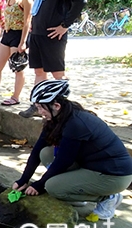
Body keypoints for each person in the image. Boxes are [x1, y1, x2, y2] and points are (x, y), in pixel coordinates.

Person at [12, 79, 132, 220]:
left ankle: (108, 197)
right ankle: (78, 192)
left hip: (113, 175)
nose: (39, 112)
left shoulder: (76, 123)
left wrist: (39, 184)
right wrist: (24, 179)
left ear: (56, 105)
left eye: (41, 107)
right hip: (91, 166)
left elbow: (64, 161)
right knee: (45, 153)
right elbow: (38, 149)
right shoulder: (57, 117)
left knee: (52, 187)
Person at [19, 0, 86, 118]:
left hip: (53, 34)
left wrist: (65, 25)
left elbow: (80, 0)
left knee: (57, 73)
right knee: (39, 71)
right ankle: (38, 104)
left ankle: (66, 109)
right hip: (38, 32)